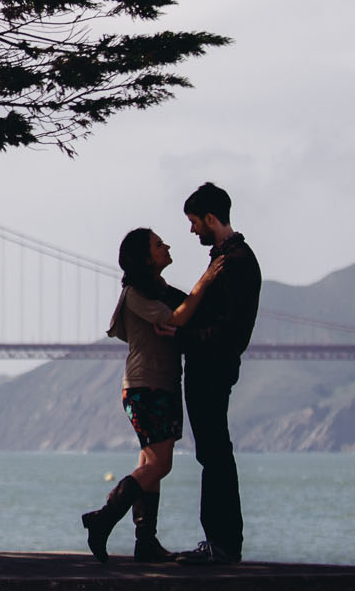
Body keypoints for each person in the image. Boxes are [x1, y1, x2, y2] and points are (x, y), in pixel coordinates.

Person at [80, 227, 224, 562]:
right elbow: (179, 317)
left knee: (149, 461)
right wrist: (206, 279)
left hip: (157, 385)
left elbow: (186, 313)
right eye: (159, 245)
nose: (167, 246)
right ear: (146, 258)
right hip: (148, 387)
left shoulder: (156, 290)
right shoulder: (136, 294)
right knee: (161, 464)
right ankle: (103, 519)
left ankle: (145, 541)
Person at [171, 180, 262, 566]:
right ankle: (220, 542)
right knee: (212, 452)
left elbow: (229, 328)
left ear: (211, 218)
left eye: (194, 222)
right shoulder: (226, 258)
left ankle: (222, 544)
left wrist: (180, 336)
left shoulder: (236, 261)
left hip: (212, 367)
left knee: (214, 453)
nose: (192, 230)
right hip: (210, 365)